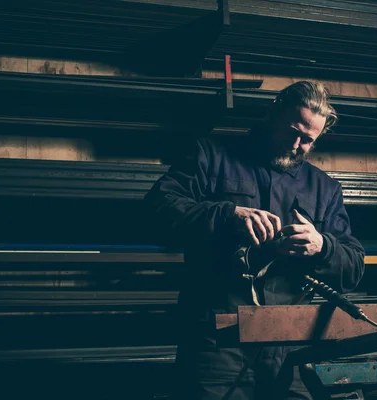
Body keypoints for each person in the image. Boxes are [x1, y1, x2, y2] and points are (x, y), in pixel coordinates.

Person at [144, 81, 365, 400]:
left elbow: (353, 268)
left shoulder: (324, 189)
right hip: (218, 343)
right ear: (273, 114)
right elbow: (158, 209)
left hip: (291, 347)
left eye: (308, 140)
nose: (296, 144)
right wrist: (229, 214)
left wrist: (322, 246)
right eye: (292, 131)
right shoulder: (213, 156)